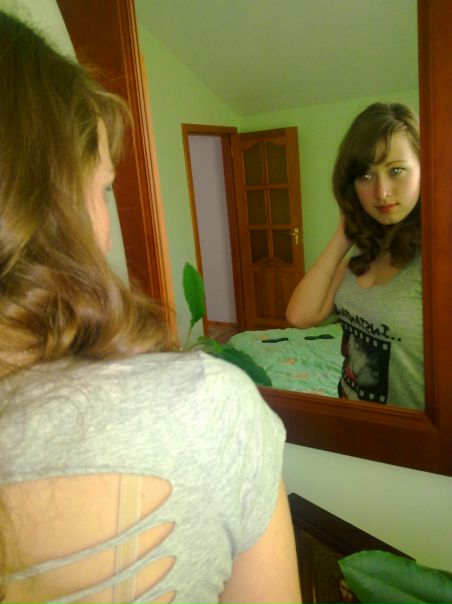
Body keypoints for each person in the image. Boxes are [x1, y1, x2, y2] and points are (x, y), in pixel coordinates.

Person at [0, 11, 301, 604]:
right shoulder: (208, 411)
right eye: (105, 187)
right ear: (54, 201)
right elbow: (299, 314)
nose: (107, 231)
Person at [286, 102, 424, 410]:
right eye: (365, 175)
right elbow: (299, 316)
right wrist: (343, 235)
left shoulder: (436, 265)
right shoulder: (359, 259)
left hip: (407, 433)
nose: (382, 192)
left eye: (396, 170)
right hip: (349, 414)